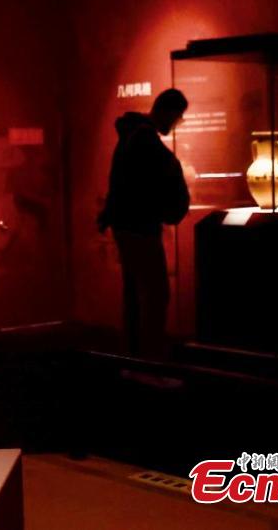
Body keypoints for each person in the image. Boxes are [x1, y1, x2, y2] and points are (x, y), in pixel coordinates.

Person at [98, 88, 190, 361]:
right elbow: (154, 181)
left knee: (136, 293)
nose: (177, 123)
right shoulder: (145, 140)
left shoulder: (132, 136)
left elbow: (119, 182)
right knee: (155, 293)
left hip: (128, 225)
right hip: (140, 227)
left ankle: (134, 356)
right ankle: (150, 360)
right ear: (168, 111)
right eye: (178, 116)